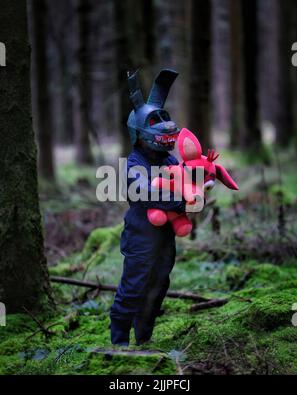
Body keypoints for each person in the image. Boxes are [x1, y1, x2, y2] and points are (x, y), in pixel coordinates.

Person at [109, 69, 186, 346]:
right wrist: (179, 200)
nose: (164, 127)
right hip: (141, 237)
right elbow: (144, 192)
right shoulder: (134, 163)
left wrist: (202, 179)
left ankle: (144, 340)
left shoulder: (169, 160)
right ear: (138, 133)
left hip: (165, 238)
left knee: (157, 288)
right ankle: (118, 343)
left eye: (163, 119)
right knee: (133, 289)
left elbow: (187, 182)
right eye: (155, 122)